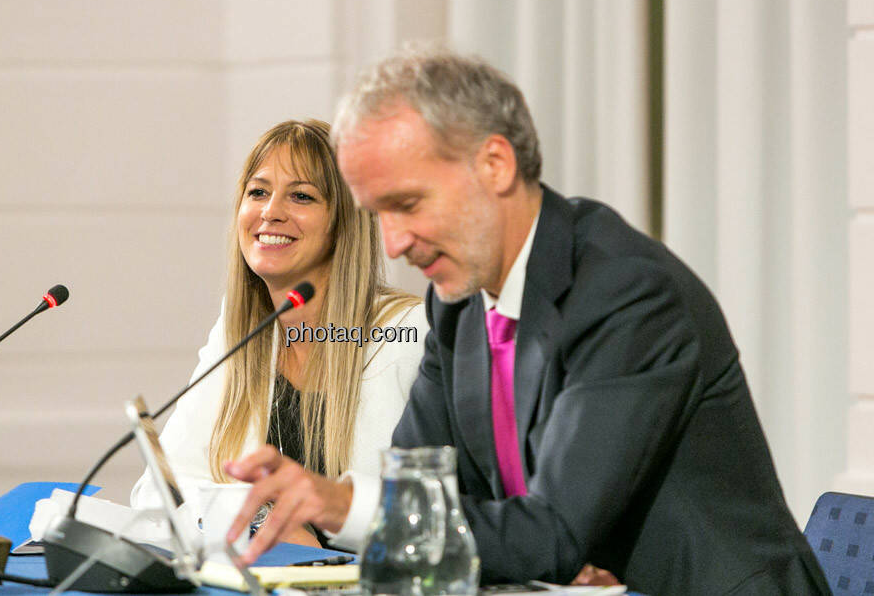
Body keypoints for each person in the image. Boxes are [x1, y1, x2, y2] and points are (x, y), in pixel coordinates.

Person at [222, 50, 832, 595]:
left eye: (407, 204)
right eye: (376, 213)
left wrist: (343, 504)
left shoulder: (627, 293)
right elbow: (421, 493)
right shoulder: (457, 302)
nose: (394, 242)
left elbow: (556, 528)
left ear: (494, 164)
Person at [131, 119, 426, 546]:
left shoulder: (405, 333)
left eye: (301, 196)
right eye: (258, 192)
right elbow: (162, 491)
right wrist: (265, 523)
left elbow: (423, 511)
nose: (270, 212)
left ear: (344, 222)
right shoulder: (241, 330)